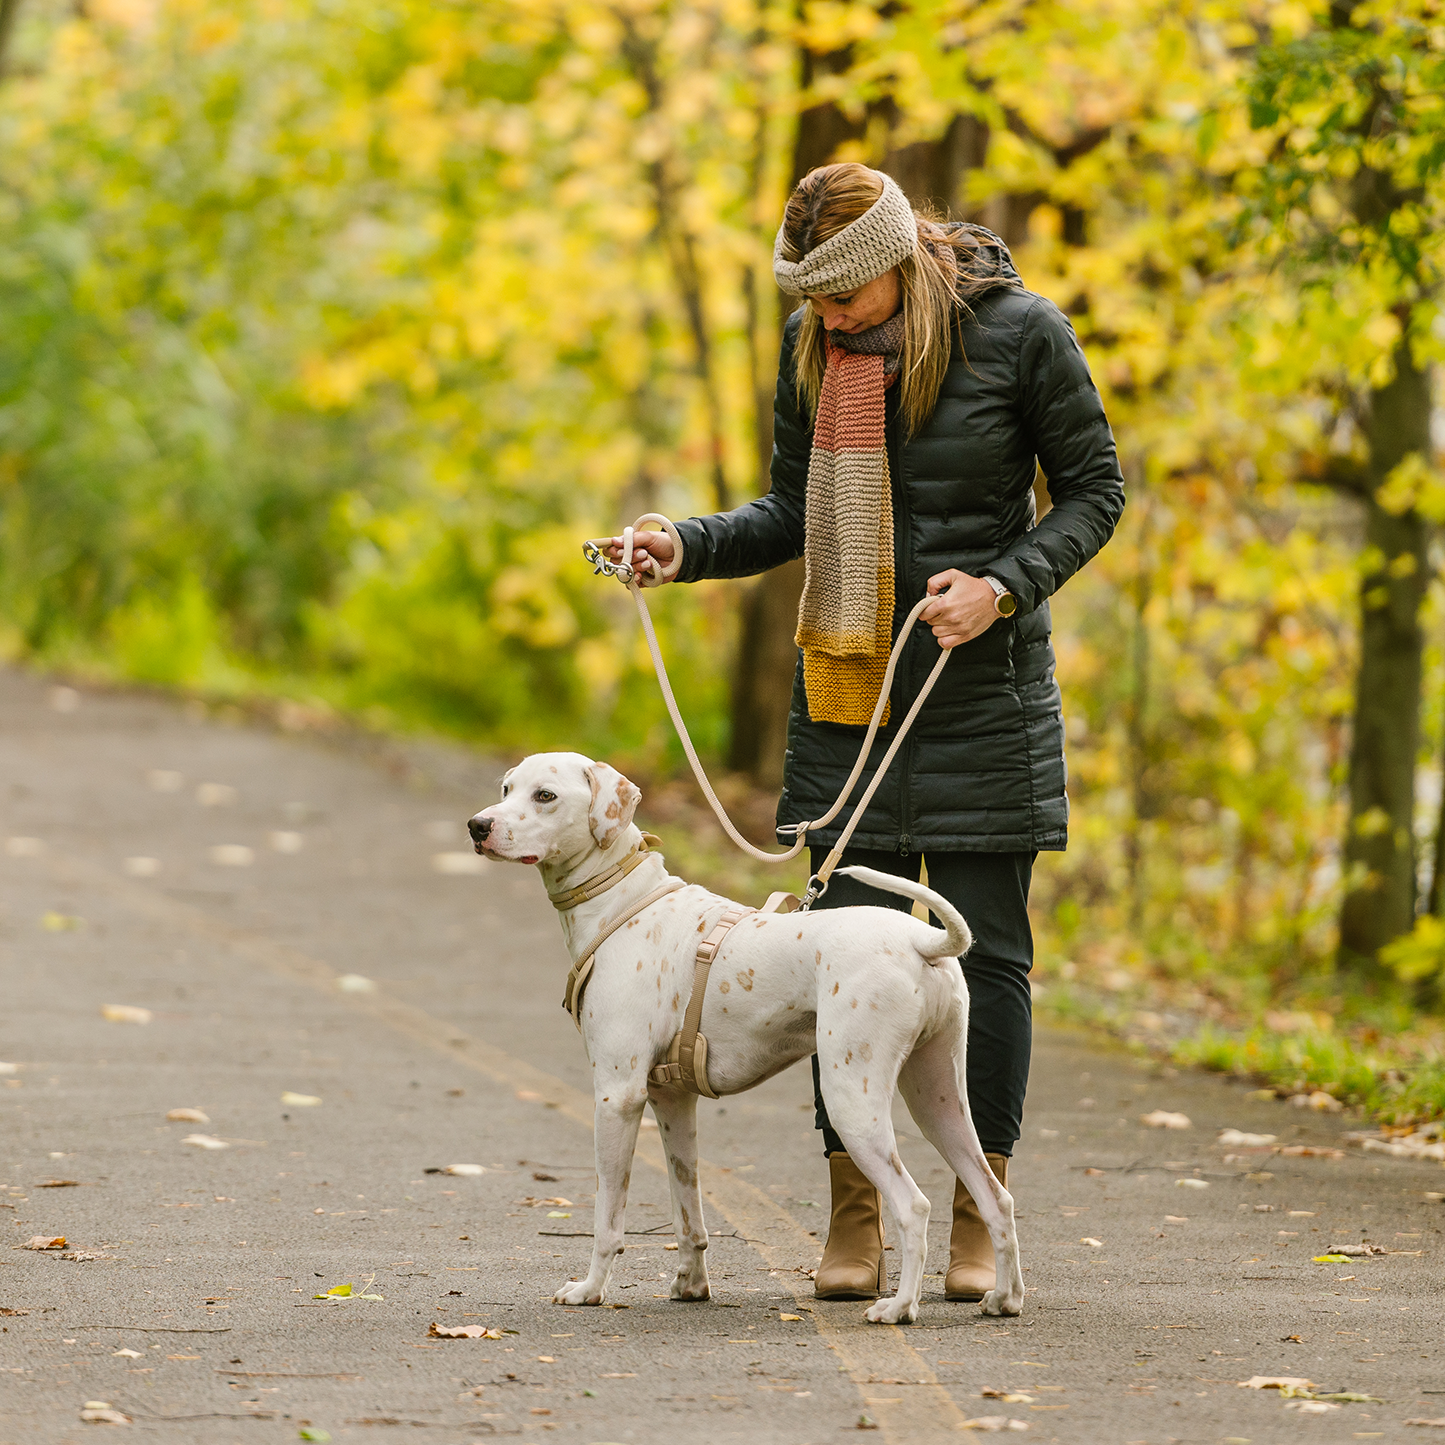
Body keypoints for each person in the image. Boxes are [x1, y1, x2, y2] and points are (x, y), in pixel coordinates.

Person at [609, 163, 1124, 1302]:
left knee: (985, 956)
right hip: (846, 700)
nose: (825, 317)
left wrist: (1002, 584)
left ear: (898, 261)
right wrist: (682, 545)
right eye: (810, 301)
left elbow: (1093, 491)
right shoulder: (815, 358)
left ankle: (977, 1214)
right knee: (833, 953)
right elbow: (791, 510)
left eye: (840, 297)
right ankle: (854, 1211)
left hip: (979, 694)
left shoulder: (1024, 334)